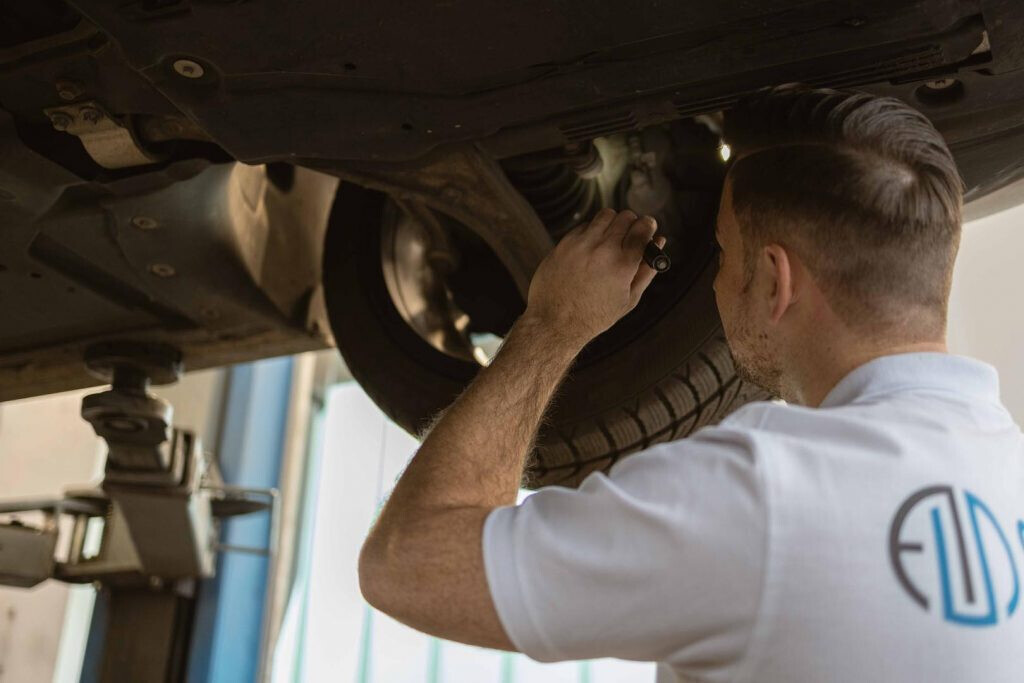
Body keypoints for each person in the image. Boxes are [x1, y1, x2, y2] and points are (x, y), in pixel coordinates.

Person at [357, 85, 1024, 682]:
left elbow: (409, 562)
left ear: (773, 279)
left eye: (723, 253)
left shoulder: (765, 490)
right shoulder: (1008, 468)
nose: (710, 281)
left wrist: (553, 325)